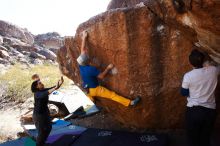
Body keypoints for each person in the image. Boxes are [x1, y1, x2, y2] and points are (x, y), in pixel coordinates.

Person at [76, 31, 140, 107]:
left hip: (88, 90)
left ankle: (92, 99)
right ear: (87, 61)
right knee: (112, 95)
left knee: (89, 98)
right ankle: (131, 103)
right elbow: (101, 76)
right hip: (96, 89)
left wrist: (84, 38)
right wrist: (108, 68)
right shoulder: (91, 69)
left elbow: (82, 49)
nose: (85, 53)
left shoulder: (80, 65)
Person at [181, 48, 220, 146]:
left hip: (194, 111)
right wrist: (208, 63)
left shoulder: (188, 76)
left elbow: (184, 92)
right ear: (203, 60)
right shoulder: (213, 70)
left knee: (192, 139)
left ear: (190, 63)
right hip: (210, 111)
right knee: (205, 138)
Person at [31, 76, 64, 146]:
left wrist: (60, 83)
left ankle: (43, 142)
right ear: (37, 87)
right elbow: (48, 92)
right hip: (39, 115)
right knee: (42, 132)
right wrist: (55, 87)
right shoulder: (37, 94)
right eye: (39, 83)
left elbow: (54, 88)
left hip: (45, 113)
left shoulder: (42, 90)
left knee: (49, 127)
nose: (42, 83)